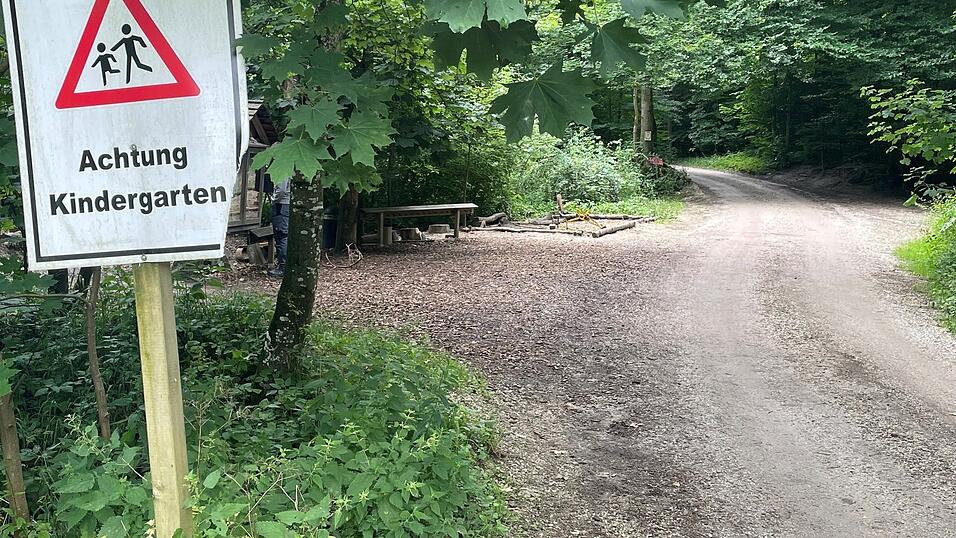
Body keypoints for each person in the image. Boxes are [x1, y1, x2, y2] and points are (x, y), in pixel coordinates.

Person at [269, 178, 291, 278]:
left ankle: (283, 267)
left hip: (281, 204)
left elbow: (281, 190)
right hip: (286, 204)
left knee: (281, 235)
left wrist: (274, 199)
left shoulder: (283, 168)